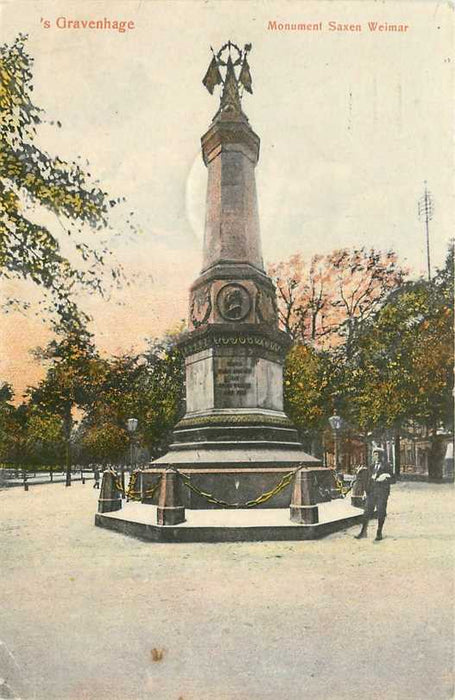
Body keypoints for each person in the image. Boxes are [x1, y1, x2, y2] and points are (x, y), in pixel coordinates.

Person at [355, 446, 393, 541]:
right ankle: (363, 532)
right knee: (366, 512)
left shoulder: (387, 466)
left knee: (381, 512)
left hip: (382, 493)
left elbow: (393, 479)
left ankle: (379, 532)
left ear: (381, 456)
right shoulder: (371, 466)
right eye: (374, 454)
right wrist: (366, 492)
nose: (374, 456)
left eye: (376, 454)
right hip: (371, 493)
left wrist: (385, 477)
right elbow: (368, 480)